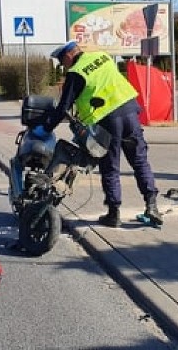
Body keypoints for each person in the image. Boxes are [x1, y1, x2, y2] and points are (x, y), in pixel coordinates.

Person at [42, 40, 162, 227]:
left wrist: (45, 129)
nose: (63, 67)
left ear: (68, 56)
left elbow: (63, 108)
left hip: (108, 121)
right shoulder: (102, 56)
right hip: (130, 112)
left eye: (62, 62)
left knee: (110, 166)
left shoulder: (76, 73)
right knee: (139, 160)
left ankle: (114, 214)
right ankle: (152, 206)